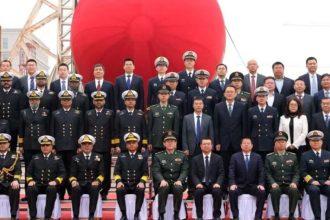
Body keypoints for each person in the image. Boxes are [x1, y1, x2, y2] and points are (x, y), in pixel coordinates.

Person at [50, 90, 83, 199]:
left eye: (68, 99)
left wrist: (80, 146)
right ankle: (60, 192)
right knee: (59, 169)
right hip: (59, 146)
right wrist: (53, 146)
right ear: (61, 101)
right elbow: (52, 131)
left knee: (71, 169)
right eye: (64, 100)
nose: (66, 101)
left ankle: (71, 191)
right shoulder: (55, 113)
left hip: (73, 146)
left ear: (71, 101)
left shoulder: (77, 113)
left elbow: (80, 130)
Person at [26, 135, 66, 220]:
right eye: (43, 145)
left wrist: (56, 181)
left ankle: (47, 216)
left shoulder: (57, 158)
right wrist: (30, 180)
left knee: (51, 189)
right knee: (30, 189)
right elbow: (28, 172)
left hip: (50, 184)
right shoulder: (35, 158)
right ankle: (33, 216)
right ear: (40, 147)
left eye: (47, 145)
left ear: (52, 146)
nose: (45, 147)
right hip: (38, 184)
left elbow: (62, 173)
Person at [152, 131, 189, 220]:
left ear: (176, 143)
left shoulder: (182, 155)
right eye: (168, 141)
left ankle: (176, 213)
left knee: (178, 188)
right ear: (164, 143)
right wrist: (162, 180)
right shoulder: (158, 156)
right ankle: (161, 214)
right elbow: (156, 171)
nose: (170, 143)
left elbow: (185, 170)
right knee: (163, 188)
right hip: (164, 182)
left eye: (172, 141)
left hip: (177, 182)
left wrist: (180, 180)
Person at [214, 85, 247, 183]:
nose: (229, 93)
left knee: (238, 165)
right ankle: (224, 188)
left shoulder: (241, 106)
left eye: (231, 92)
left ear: (235, 94)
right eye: (227, 92)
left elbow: (244, 125)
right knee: (224, 166)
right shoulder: (218, 106)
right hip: (223, 142)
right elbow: (216, 126)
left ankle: (237, 185)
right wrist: (217, 142)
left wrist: (243, 142)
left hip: (237, 142)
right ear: (224, 94)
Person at [182, 97, 214, 199]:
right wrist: (185, 147)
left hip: (204, 147)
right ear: (193, 105)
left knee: (204, 168)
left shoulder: (208, 118)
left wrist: (210, 147)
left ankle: (203, 189)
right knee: (192, 170)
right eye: (196, 104)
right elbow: (184, 134)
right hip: (191, 148)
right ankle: (191, 192)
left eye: (200, 103)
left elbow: (211, 134)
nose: (198, 105)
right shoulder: (187, 118)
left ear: (203, 105)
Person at [85, 91, 115, 200]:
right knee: (92, 168)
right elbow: (85, 129)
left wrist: (113, 144)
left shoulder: (110, 113)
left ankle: (104, 191)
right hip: (92, 146)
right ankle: (93, 189)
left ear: (104, 101)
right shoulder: (88, 113)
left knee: (105, 170)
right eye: (96, 100)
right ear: (93, 101)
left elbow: (113, 129)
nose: (98, 102)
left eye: (100, 100)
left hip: (106, 145)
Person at [19, 90, 50, 193]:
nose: (34, 101)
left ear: (39, 101)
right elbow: (21, 130)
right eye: (32, 99)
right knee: (29, 168)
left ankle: (42, 189)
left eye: (36, 99)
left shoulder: (45, 112)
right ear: (29, 101)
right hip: (28, 145)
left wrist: (50, 145)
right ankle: (29, 192)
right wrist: (20, 145)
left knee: (42, 167)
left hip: (41, 145)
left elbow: (48, 129)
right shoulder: (24, 112)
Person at [265, 131, 300, 220]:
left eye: (283, 142)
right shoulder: (269, 157)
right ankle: (276, 214)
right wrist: (272, 183)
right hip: (277, 184)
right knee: (275, 190)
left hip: (289, 184)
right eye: (278, 142)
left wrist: (294, 182)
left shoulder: (293, 156)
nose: (281, 144)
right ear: (275, 144)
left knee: (294, 190)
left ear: (286, 143)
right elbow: (267, 173)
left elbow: (296, 172)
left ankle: (291, 214)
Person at [228, 138, 265, 220]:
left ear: (252, 145)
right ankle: (235, 216)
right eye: (244, 143)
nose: (246, 145)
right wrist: (232, 184)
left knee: (262, 192)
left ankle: (258, 216)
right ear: (241, 145)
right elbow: (231, 171)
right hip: (239, 186)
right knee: (232, 192)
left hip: (253, 186)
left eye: (248, 143)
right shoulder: (235, 157)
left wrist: (261, 184)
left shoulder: (257, 157)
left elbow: (261, 172)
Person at [114, 132, 148, 220]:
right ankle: (123, 214)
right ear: (126, 145)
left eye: (133, 142)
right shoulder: (121, 156)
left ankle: (136, 214)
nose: (131, 144)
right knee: (119, 190)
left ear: (137, 144)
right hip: (125, 183)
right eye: (129, 143)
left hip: (137, 183)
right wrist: (119, 181)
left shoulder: (142, 157)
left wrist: (142, 182)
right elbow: (116, 172)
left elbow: (145, 173)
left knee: (141, 190)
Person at [70, 134, 105, 220]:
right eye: (84, 144)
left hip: (92, 183)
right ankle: (75, 215)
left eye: (89, 144)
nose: (86, 146)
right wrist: (73, 181)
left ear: (92, 146)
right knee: (75, 189)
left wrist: (98, 180)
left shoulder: (99, 157)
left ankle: (91, 215)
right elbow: (72, 174)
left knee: (94, 188)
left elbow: (102, 173)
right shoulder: (75, 158)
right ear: (81, 146)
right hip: (80, 183)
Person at [191, 137, 224, 220]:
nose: (206, 146)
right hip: (201, 184)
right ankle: (199, 216)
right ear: (201, 146)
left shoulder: (218, 158)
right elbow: (193, 174)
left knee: (217, 191)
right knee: (198, 192)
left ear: (212, 146)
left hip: (213, 184)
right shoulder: (195, 159)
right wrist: (197, 183)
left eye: (208, 144)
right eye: (204, 144)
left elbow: (221, 173)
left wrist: (218, 183)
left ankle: (217, 215)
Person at [300, 130, 330, 220]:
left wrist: (329, 180)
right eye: (313, 141)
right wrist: (311, 181)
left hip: (325, 182)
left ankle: (328, 216)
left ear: (322, 142)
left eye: (318, 140)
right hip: (311, 183)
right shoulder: (305, 155)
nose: (316, 142)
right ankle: (317, 216)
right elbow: (303, 172)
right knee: (314, 190)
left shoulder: (328, 154)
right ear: (309, 142)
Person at [248, 86, 279, 161]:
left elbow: (275, 128)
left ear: (267, 98)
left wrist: (275, 141)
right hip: (256, 140)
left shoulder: (273, 110)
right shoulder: (251, 110)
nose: (261, 98)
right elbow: (248, 127)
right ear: (256, 98)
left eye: (263, 96)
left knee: (268, 161)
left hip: (269, 140)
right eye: (259, 96)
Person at [147, 85, 180, 153]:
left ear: (169, 95)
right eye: (161, 94)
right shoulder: (152, 109)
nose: (163, 96)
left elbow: (176, 128)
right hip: (156, 141)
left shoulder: (174, 109)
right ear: (158, 95)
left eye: (165, 94)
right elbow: (149, 127)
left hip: (169, 142)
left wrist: (175, 142)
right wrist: (149, 142)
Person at [0, 72, 24, 151]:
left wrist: (19, 125)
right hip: (1, 125)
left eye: (8, 80)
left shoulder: (18, 93)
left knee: (13, 147)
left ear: (11, 81)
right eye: (4, 80)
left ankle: (13, 162)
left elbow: (21, 110)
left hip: (14, 125)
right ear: (1, 81)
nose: (6, 82)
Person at [0, 133, 21, 219]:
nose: (2, 145)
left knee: (15, 188)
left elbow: (18, 170)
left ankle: (13, 214)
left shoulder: (15, 156)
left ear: (8, 144)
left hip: (9, 183)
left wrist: (16, 180)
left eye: (4, 143)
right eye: (0, 143)